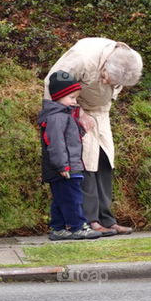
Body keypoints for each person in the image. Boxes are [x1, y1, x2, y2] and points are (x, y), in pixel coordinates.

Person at [44, 38, 143, 236]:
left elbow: (113, 88)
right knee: (85, 164)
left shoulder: (128, 59)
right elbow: (52, 82)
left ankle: (107, 219)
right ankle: (90, 220)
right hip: (74, 113)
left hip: (101, 113)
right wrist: (76, 113)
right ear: (105, 65)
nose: (105, 82)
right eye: (105, 77)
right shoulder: (83, 57)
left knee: (104, 162)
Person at [37, 70, 103, 241]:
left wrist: (81, 129)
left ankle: (58, 228)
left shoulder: (65, 115)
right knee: (73, 198)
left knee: (61, 199)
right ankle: (78, 227)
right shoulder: (57, 117)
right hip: (64, 168)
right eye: (71, 97)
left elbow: (70, 139)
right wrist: (63, 166)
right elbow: (56, 143)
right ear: (58, 96)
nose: (75, 102)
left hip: (69, 165)